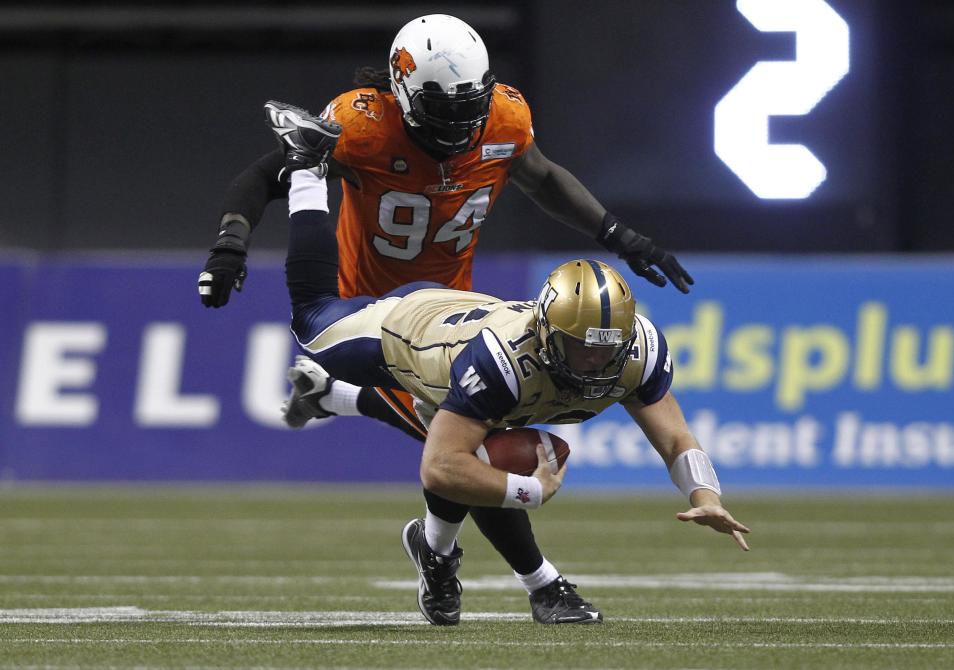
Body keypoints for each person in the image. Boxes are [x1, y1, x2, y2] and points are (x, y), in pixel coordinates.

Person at [197, 14, 694, 625]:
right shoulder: (362, 123)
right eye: (443, 108)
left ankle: (343, 408)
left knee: (468, 440)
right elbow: (262, 175)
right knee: (477, 450)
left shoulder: (505, 119)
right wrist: (231, 242)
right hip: (372, 308)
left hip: (453, 309)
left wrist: (619, 235)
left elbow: (540, 176)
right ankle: (541, 585)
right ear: (403, 93)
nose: (462, 123)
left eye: (471, 105)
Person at [265, 106, 750, 626]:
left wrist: (707, 495)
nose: (595, 360)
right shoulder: (502, 363)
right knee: (313, 324)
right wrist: (530, 490)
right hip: (410, 329)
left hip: (470, 343)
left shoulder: (638, 353)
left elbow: (676, 440)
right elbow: (441, 466)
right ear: (546, 335)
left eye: (606, 347)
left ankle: (342, 415)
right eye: (581, 346)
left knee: (485, 447)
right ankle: (306, 172)